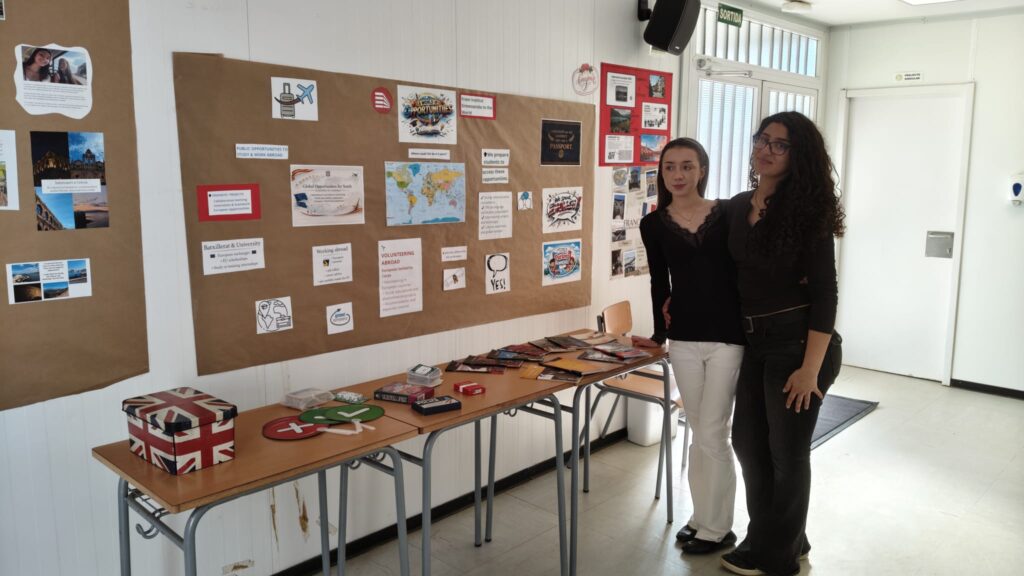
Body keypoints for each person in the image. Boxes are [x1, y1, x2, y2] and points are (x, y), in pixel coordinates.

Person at [719, 111, 845, 576]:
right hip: (755, 343)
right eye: (762, 139)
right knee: (747, 444)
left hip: (798, 346)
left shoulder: (807, 213)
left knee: (786, 454)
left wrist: (810, 370)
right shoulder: (737, 206)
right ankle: (785, 537)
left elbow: (825, 294)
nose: (765, 149)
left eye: (779, 144)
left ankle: (775, 558)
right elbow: (720, 273)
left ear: (798, 156)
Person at [633, 137, 745, 556]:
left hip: (728, 337)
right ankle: (701, 517)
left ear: (702, 170)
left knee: (714, 431)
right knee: (699, 429)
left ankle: (718, 529)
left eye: (686, 166)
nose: (677, 175)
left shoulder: (728, 213)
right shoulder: (653, 224)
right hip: (683, 338)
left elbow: (745, 270)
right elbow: (659, 282)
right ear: (661, 173)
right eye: (669, 167)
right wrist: (658, 336)